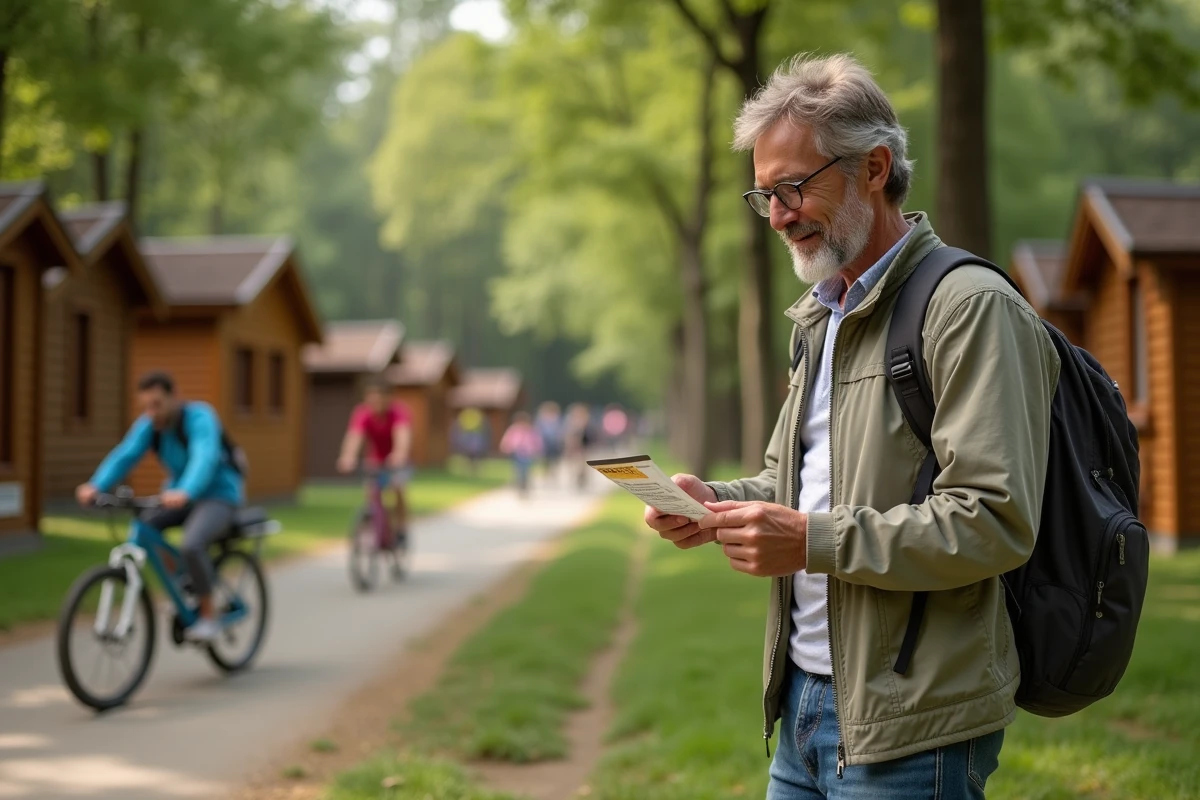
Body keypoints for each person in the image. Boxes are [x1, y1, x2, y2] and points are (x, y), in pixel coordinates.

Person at [644, 54, 1060, 798]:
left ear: (874, 167)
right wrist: (711, 501)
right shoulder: (821, 315)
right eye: (764, 194)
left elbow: (996, 521)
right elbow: (792, 480)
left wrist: (809, 541)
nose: (777, 215)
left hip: (915, 721)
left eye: (794, 187)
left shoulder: (969, 308)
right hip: (802, 704)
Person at [76, 371, 245, 643]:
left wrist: (186, 490)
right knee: (145, 526)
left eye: (157, 404)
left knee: (192, 543)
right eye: (146, 406)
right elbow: (125, 454)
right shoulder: (150, 426)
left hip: (218, 495)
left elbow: (205, 456)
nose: (151, 412)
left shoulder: (200, 417)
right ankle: (181, 583)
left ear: (174, 396)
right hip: (179, 494)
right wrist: (96, 485)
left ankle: (208, 615)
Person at [337, 381, 413, 541]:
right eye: (371, 400)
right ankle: (374, 524)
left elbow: (402, 435)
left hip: (396, 460)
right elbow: (354, 436)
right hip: (375, 460)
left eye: (379, 399)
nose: (374, 403)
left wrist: (399, 454)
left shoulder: (398, 412)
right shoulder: (362, 412)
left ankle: (401, 527)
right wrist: (347, 456)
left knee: (398, 488)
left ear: (388, 398)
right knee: (371, 491)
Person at [500, 412, 543, 497]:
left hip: (528, 453)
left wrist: (538, 450)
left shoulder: (531, 430)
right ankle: (519, 484)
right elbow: (507, 439)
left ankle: (525, 484)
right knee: (518, 469)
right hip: (517, 452)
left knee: (526, 470)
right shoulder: (513, 430)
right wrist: (506, 447)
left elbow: (537, 441)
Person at [534, 401, 564, 480]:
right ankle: (547, 472)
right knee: (545, 460)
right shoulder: (541, 419)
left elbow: (560, 431)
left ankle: (552, 473)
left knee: (554, 459)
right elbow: (538, 431)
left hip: (555, 443)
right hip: (545, 442)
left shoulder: (557, 418)